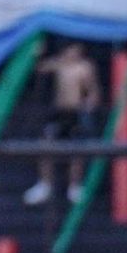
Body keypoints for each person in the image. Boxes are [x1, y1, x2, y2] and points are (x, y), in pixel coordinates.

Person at [23, 41, 101, 206]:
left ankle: (75, 186)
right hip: (58, 112)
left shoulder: (85, 67)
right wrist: (36, 53)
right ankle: (45, 184)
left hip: (76, 113)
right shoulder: (59, 63)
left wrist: (89, 103)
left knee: (76, 148)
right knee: (45, 143)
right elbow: (39, 67)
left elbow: (94, 92)